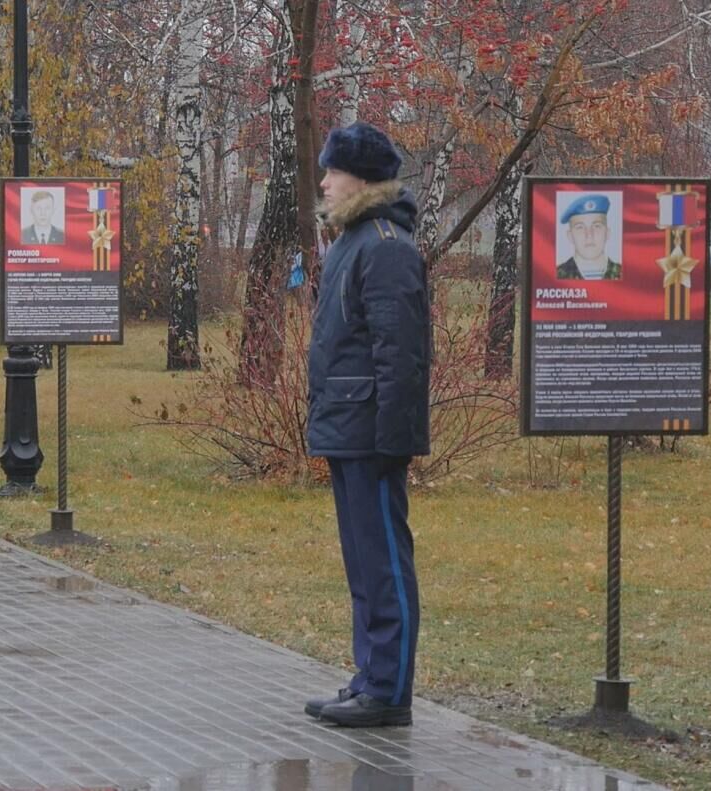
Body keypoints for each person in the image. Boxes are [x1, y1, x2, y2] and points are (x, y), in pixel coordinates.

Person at [305, 122, 430, 728]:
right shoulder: (355, 241)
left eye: (333, 172)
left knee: (382, 562)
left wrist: (393, 439)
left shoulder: (384, 245)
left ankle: (389, 689)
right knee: (363, 563)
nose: (323, 182)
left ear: (362, 179)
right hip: (348, 426)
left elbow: (399, 354)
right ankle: (370, 676)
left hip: (371, 434)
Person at [556, 194, 621, 280]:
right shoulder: (558, 275)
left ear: (607, 233)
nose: (589, 235)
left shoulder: (622, 273)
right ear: (570, 236)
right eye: (580, 227)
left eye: (596, 226)